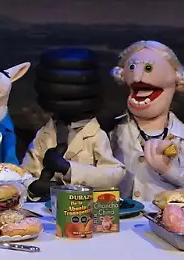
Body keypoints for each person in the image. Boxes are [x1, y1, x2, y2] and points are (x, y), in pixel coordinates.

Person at [24, 47, 125, 199]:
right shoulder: (45, 134)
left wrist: (69, 169)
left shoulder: (95, 135)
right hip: (48, 206)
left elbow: (114, 174)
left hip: (84, 206)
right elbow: (24, 173)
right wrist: (33, 187)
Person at [103, 41, 184, 202]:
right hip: (126, 210)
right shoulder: (116, 128)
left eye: (148, 68)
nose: (138, 76)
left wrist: (166, 169)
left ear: (176, 78)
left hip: (166, 210)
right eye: (132, 68)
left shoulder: (179, 132)